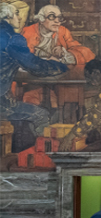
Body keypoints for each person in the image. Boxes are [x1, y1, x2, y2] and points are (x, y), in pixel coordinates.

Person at [0, 3, 67, 139]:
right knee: (41, 115)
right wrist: (59, 65)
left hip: (4, 99)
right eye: (16, 14)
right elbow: (36, 66)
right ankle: (37, 154)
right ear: (8, 17)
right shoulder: (12, 39)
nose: (19, 18)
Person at [21, 5, 94, 65]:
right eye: (51, 16)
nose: (57, 21)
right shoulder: (27, 32)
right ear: (41, 19)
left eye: (59, 17)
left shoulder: (63, 31)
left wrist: (64, 53)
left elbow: (86, 53)